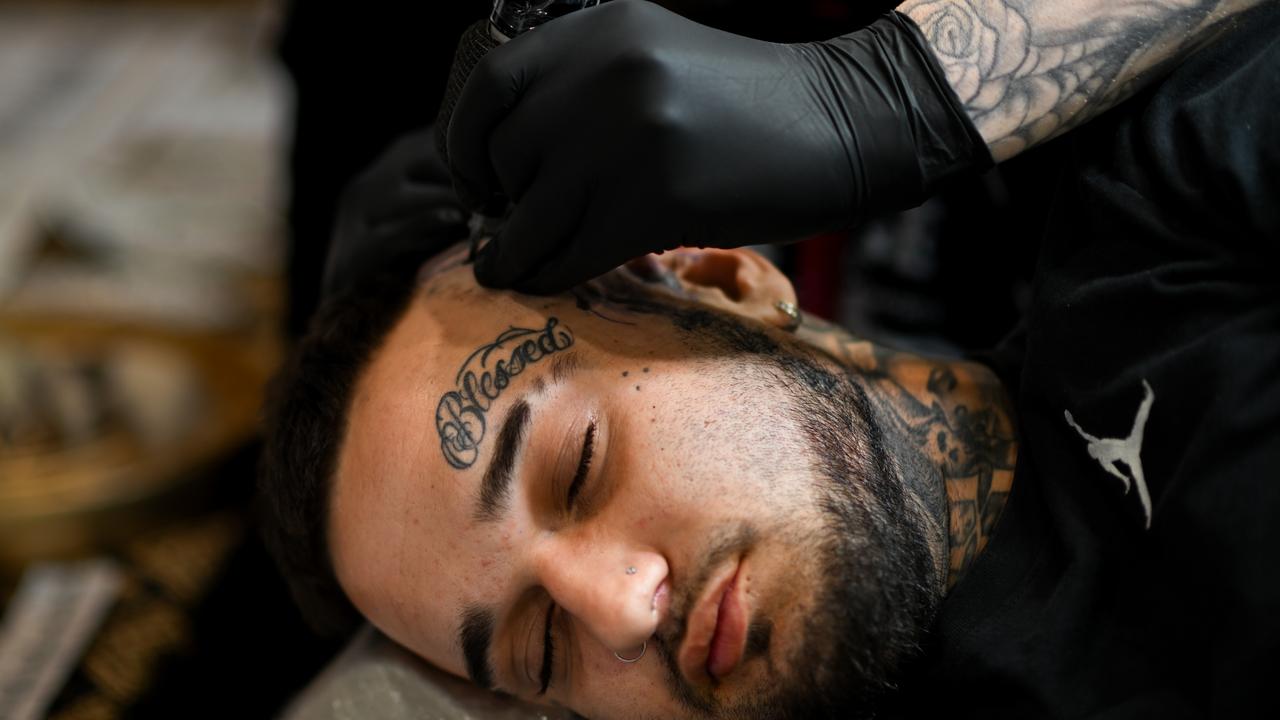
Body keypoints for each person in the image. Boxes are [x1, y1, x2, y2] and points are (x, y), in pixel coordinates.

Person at [261, 1, 1279, 716]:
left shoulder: (1162, 242)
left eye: (578, 466)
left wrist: (896, 94)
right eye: (538, 653)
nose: (615, 615)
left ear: (719, 281)